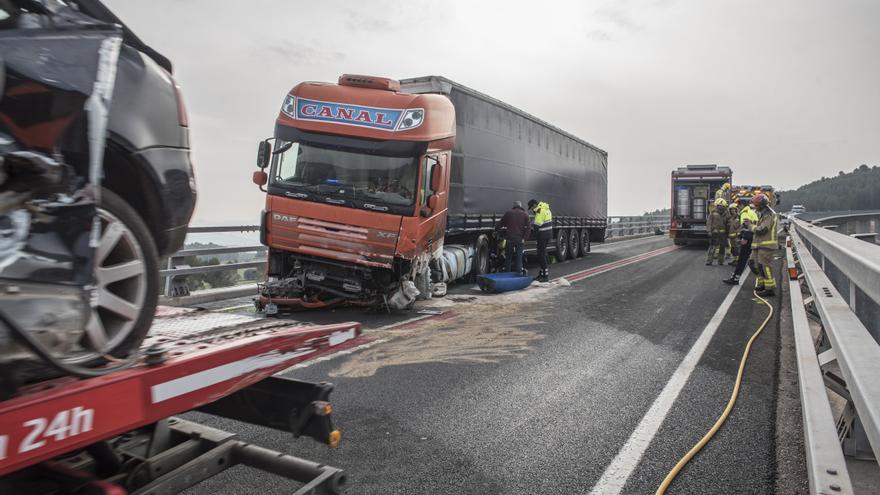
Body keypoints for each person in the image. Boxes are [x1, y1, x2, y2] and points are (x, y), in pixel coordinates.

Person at [748, 193, 779, 296]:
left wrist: (749, 226)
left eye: (756, 205)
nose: (755, 207)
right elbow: (759, 225)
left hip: (766, 246)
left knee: (764, 266)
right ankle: (762, 283)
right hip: (759, 245)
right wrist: (751, 222)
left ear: (761, 205)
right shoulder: (762, 213)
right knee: (753, 264)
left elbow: (762, 230)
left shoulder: (769, 214)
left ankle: (770, 289)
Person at [496, 201, 530, 275]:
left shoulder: (508, 213)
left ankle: (507, 274)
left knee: (508, 257)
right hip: (519, 239)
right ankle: (518, 274)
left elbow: (500, 224)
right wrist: (524, 238)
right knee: (519, 258)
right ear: (520, 206)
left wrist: (496, 229)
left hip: (509, 239)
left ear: (514, 206)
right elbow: (528, 228)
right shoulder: (525, 214)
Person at [723, 216, 754, 285]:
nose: (743, 222)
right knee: (741, 263)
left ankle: (735, 279)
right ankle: (734, 278)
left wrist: (738, 241)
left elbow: (744, 241)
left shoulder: (747, 230)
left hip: (746, 249)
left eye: (746, 221)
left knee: (742, 264)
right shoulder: (747, 228)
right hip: (748, 248)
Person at [528, 198, 553, 281]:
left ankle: (545, 276)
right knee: (541, 254)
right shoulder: (546, 209)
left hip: (543, 235)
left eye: (531, 207)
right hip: (548, 234)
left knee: (540, 255)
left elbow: (537, 225)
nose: (532, 209)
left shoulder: (539, 210)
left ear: (535, 205)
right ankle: (542, 273)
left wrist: (531, 235)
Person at [706, 198, 729, 266]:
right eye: (719, 205)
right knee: (712, 247)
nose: (720, 207)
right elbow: (709, 222)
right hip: (714, 233)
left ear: (724, 206)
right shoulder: (713, 212)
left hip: (723, 234)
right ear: (717, 205)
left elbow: (729, 223)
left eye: (722, 206)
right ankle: (709, 261)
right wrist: (709, 231)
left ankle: (721, 261)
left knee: (722, 248)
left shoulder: (727, 213)